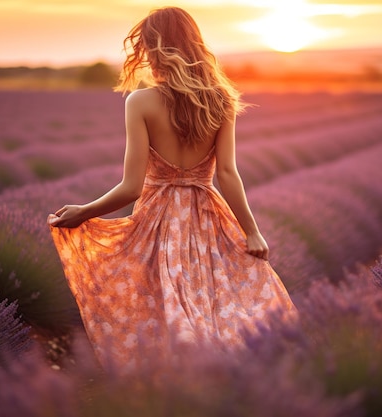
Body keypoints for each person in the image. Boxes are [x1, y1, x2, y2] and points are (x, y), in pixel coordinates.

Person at [48, 6, 294, 371]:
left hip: (157, 224)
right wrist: (252, 231)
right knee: (219, 305)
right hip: (209, 219)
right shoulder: (220, 100)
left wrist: (82, 212)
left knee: (163, 310)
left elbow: (131, 187)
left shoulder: (141, 102)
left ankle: (176, 390)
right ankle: (228, 380)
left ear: (152, 48)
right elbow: (227, 173)